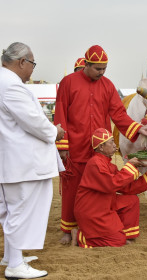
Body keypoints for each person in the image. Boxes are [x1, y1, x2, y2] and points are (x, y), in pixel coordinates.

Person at [54, 45, 147, 245]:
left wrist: (138, 129)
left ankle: (92, 229)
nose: (101, 72)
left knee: (101, 191)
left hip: (100, 149)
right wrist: (63, 147)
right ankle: (68, 230)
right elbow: (60, 114)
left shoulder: (108, 85)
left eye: (104, 69)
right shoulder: (68, 83)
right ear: (86, 64)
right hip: (75, 147)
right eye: (97, 68)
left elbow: (118, 114)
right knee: (71, 189)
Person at [0, 42, 65, 279]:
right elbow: (33, 122)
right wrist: (54, 132)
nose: (33, 69)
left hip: (13, 162)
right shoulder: (11, 86)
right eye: (33, 64)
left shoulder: (5, 82)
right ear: (21, 62)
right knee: (21, 211)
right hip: (23, 163)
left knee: (12, 210)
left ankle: (11, 256)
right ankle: (15, 265)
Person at [74, 128, 147, 247]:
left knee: (132, 200)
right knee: (118, 241)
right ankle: (81, 237)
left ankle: (124, 234)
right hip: (92, 210)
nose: (115, 145)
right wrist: (130, 166)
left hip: (103, 204)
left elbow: (126, 188)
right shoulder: (95, 163)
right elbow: (112, 184)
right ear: (101, 147)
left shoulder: (108, 164)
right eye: (111, 142)